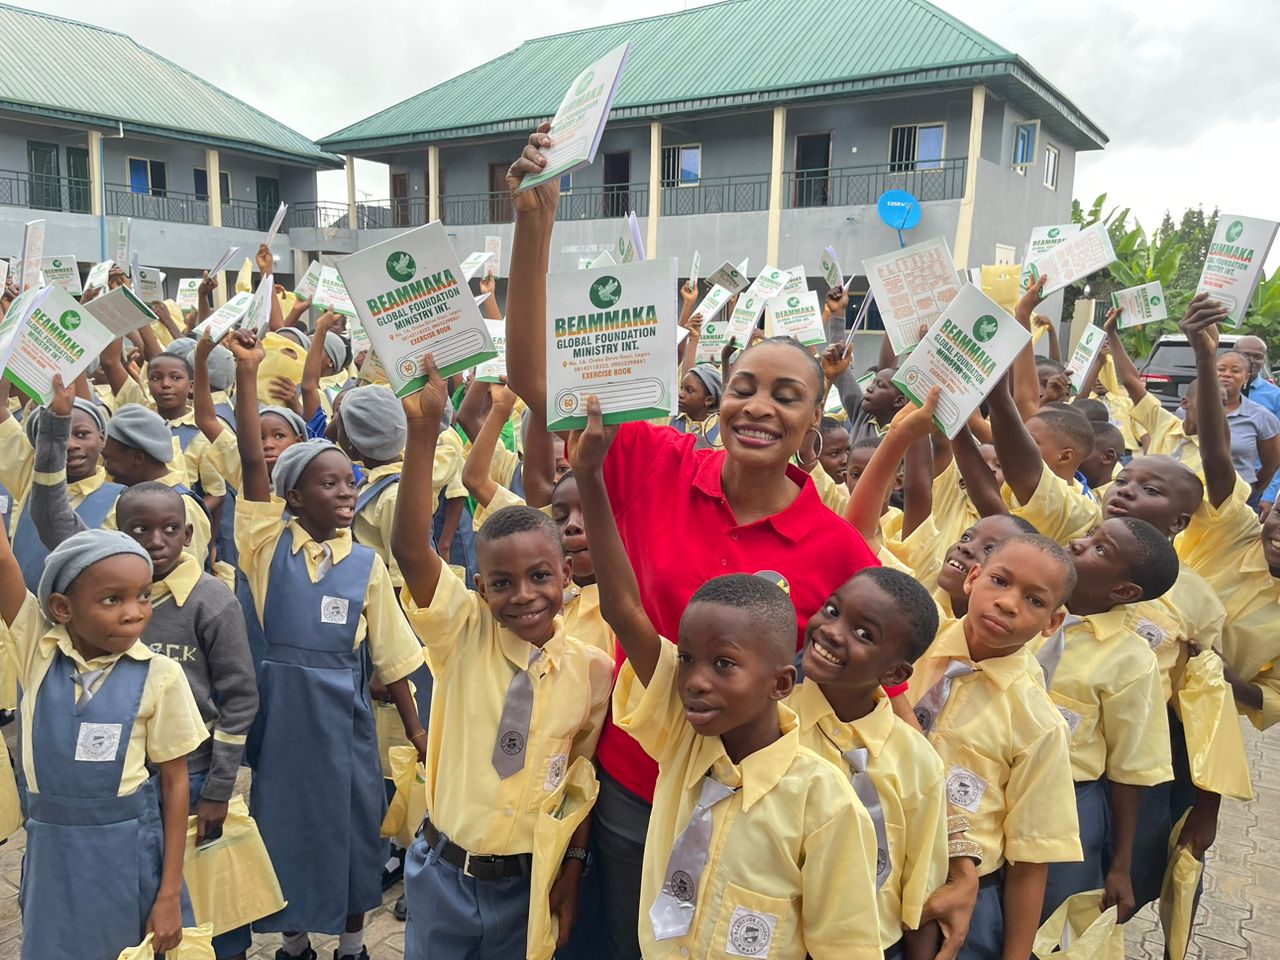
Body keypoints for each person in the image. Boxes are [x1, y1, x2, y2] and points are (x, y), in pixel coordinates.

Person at [502, 124, 881, 960]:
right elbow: (538, 383)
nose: (758, 407)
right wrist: (535, 225)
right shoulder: (657, 460)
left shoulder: (839, 549)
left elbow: (863, 691)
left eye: (787, 396)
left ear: (814, 419)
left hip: (758, 812)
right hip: (634, 784)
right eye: (744, 386)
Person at [572, 395, 882, 959]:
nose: (693, 680)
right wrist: (590, 477)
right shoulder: (682, 738)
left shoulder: (825, 801)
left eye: (724, 665)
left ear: (782, 682)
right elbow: (624, 609)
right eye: (687, 658)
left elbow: (845, 944)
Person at [390, 358, 613, 960]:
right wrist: (423, 431)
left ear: (565, 575)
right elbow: (411, 549)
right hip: (444, 877)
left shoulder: (594, 669)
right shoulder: (463, 633)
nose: (522, 595)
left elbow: (580, 779)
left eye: (539, 576)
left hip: (528, 885)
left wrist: (572, 867)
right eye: (501, 582)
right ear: (480, 587)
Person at [230, 332, 425, 960]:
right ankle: (293, 944)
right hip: (281, 719)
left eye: (350, 482)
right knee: (281, 827)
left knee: (350, 829)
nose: (345, 493)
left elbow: (393, 656)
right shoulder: (264, 549)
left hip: (345, 719)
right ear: (293, 497)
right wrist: (246, 373)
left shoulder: (366, 564)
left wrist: (419, 734)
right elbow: (252, 464)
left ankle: (351, 945)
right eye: (329, 485)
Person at [0, 527, 206, 960]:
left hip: (127, 857)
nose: (134, 613)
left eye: (144, 596)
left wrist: (169, 894)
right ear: (62, 608)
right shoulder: (38, 651)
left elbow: (175, 784)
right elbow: (4, 562)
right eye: (113, 599)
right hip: (53, 860)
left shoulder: (161, 675)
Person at [906, 534, 1082, 960]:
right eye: (1000, 581)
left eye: (1035, 601)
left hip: (961, 889)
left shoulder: (1038, 723)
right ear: (972, 577)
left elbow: (1030, 857)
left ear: (1052, 623)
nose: (1008, 603)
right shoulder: (911, 643)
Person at [791, 565, 948, 959]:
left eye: (863, 634)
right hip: (775, 939)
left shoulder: (917, 763)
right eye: (831, 610)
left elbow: (920, 888)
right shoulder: (769, 718)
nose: (831, 630)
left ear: (895, 672)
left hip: (872, 944)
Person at [1032, 517, 1178, 921]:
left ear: (1124, 591)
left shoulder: (1130, 661)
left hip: (1069, 803)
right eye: (1089, 533)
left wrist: (1120, 866)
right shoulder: (1026, 610)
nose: (1077, 543)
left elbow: (1130, 771)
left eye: (1099, 548)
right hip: (992, 783)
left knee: (1050, 917)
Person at [1178, 296, 1280, 729]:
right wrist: (1206, 357)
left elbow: (1273, 697)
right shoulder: (1234, 530)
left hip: (1197, 729)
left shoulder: (1264, 412)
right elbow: (1216, 459)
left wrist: (1229, 679)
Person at [1213, 347, 1280, 503]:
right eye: (1221, 369)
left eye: (1235, 371)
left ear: (1246, 378)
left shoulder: (1261, 416)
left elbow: (1272, 464)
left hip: (1241, 500)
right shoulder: (1188, 412)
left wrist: (1254, 492)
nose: (1226, 374)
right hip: (1194, 498)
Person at [1237, 334, 1280, 418]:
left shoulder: (1276, 396)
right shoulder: (1215, 389)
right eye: (1246, 355)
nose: (1252, 360)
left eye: (1258, 357)